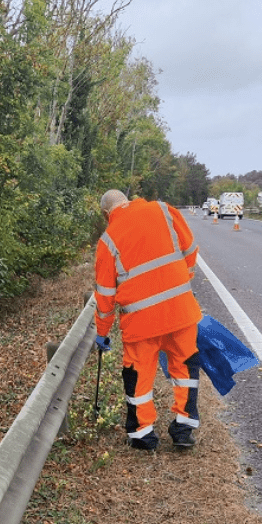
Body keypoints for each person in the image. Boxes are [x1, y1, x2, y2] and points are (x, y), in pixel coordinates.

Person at [93, 190, 202, 451]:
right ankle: (184, 429)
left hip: (141, 323)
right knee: (185, 370)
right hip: (181, 313)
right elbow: (190, 249)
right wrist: (179, 284)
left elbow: (105, 294)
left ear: (106, 214)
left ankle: (143, 434)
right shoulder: (164, 210)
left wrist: (102, 331)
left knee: (138, 376)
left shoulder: (108, 241)